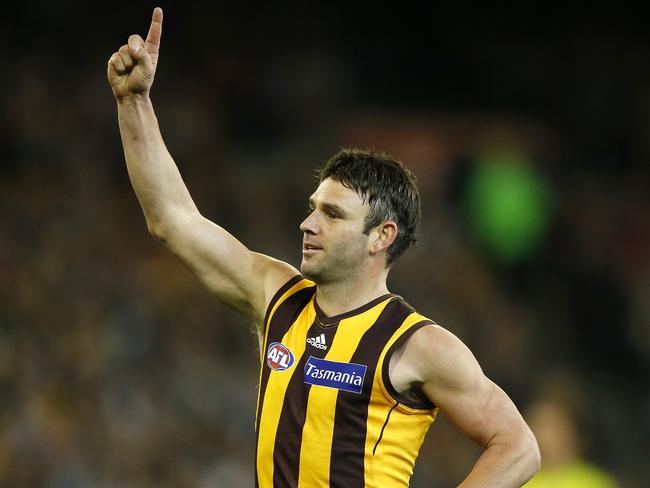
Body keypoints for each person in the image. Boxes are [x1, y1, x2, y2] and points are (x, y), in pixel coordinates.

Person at [107, 7, 540, 487]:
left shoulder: (419, 344)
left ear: (382, 236)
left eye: (332, 215)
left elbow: (518, 446)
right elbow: (172, 217)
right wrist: (134, 103)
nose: (307, 223)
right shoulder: (275, 294)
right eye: (314, 207)